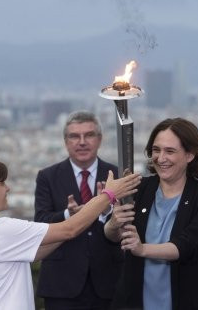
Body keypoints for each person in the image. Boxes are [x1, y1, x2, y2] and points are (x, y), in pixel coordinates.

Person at [0, 157, 141, 310]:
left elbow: (39, 250)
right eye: (1, 183)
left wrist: (72, 222)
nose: (7, 188)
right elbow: (70, 230)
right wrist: (108, 195)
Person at [105, 117, 198, 310]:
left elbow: (188, 246)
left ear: (190, 155)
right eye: (156, 150)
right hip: (135, 302)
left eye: (170, 151)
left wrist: (142, 249)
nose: (161, 158)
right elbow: (115, 237)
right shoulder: (138, 188)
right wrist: (112, 224)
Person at [34, 110, 122, 309]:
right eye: (74, 136)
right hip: (62, 284)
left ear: (99, 139)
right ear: (66, 141)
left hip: (110, 281)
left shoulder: (116, 175)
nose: (82, 142)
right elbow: (40, 221)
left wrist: (106, 213)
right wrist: (68, 215)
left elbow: (129, 221)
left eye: (89, 135)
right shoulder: (47, 177)